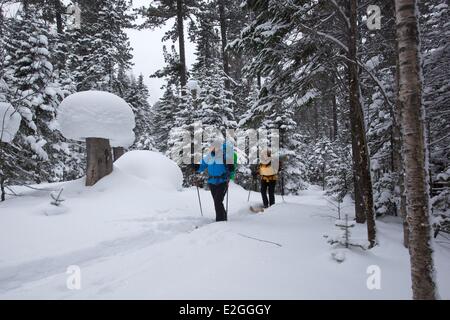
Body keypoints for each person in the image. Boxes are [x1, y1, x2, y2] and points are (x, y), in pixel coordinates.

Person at [195, 141, 235, 222]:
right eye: (212, 147)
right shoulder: (209, 156)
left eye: (215, 147)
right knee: (217, 201)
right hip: (212, 182)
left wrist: (231, 167)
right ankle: (223, 217)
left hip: (222, 181)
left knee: (217, 201)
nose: (213, 148)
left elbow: (231, 168)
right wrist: (196, 167)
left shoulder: (224, 156)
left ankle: (219, 221)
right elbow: (202, 166)